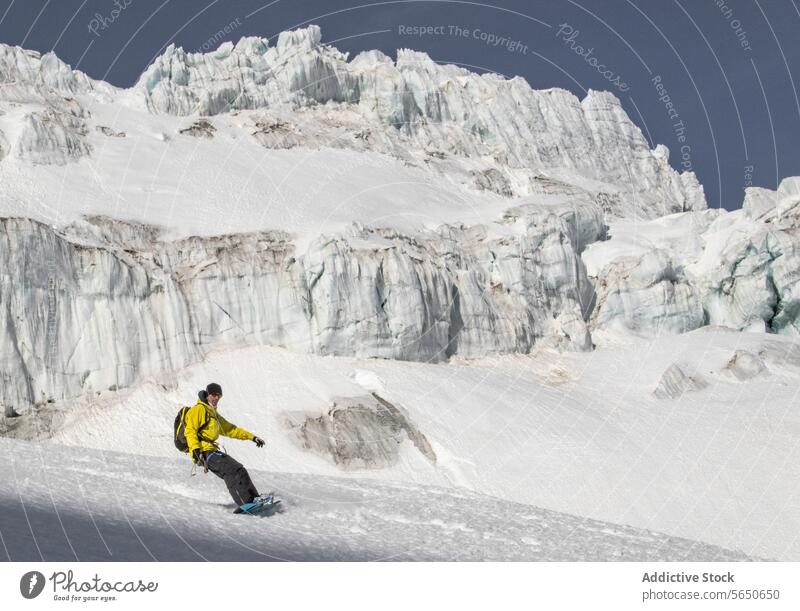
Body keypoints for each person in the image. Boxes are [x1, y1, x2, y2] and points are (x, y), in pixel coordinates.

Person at [184, 382, 266, 509]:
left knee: (239, 469)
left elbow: (231, 430)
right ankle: (246, 504)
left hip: (212, 450)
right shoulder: (199, 409)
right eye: (213, 395)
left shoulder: (213, 414)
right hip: (204, 452)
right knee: (231, 471)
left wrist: (252, 437)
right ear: (207, 395)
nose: (216, 398)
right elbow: (190, 430)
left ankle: (255, 499)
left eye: (219, 396)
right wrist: (196, 451)